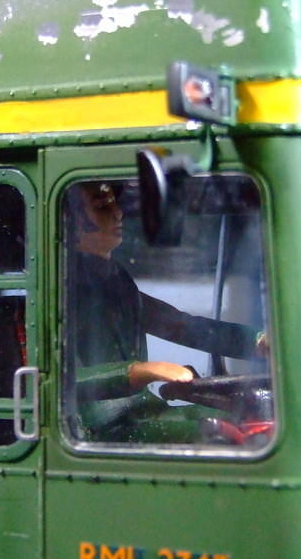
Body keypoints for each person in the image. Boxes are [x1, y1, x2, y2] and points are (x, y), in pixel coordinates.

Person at [65, 181, 267, 442]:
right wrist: (143, 371)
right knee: (218, 435)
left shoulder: (116, 281)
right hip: (98, 431)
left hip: (142, 412)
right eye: (103, 206)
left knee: (245, 420)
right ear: (73, 223)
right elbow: (63, 382)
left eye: (116, 203)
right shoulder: (62, 289)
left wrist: (257, 341)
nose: (118, 214)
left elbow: (179, 325)